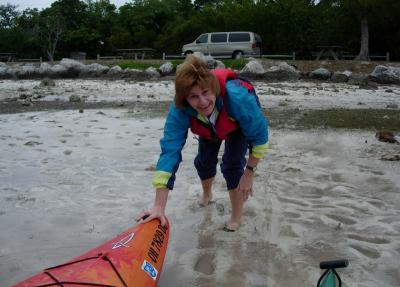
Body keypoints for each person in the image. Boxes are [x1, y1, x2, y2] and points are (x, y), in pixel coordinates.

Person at [137, 55, 269, 231]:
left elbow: (260, 139)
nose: (203, 102)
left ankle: (236, 217)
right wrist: (159, 206)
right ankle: (207, 194)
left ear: (213, 88)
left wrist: (249, 173)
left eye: (205, 92)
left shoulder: (238, 98)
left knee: (232, 166)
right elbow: (170, 152)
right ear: (185, 99)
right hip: (207, 128)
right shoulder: (180, 110)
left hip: (236, 125)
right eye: (194, 97)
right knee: (204, 162)